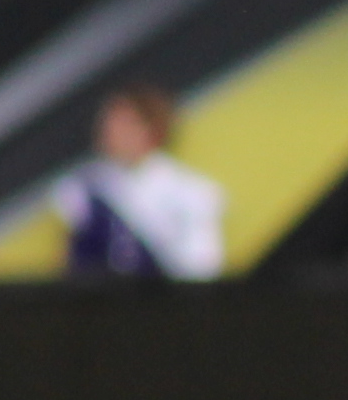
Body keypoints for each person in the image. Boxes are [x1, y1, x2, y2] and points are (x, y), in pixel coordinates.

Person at [58, 83, 226, 275]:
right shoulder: (84, 186)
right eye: (108, 121)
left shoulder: (190, 193)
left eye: (123, 123)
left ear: (151, 132)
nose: (109, 130)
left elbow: (201, 268)